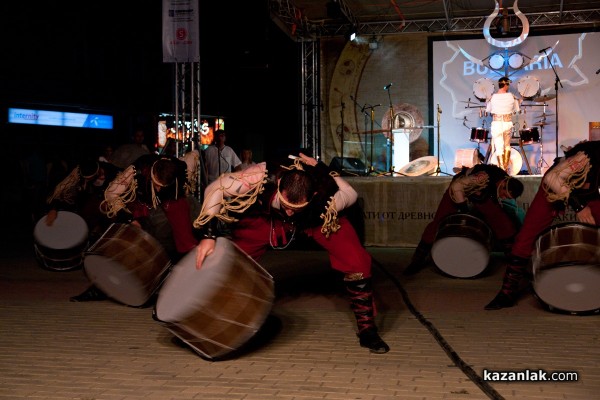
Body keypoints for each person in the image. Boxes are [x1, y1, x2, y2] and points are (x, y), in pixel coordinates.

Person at [192, 153, 390, 354]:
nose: (289, 212)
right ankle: (210, 310)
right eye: (287, 206)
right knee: (233, 259)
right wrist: (208, 235)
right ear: (278, 183)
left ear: (312, 196)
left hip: (317, 218)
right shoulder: (261, 176)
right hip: (270, 218)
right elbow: (215, 188)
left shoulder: (326, 195)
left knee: (356, 261)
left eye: (294, 208)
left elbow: (351, 193)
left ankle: (367, 330)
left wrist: (325, 170)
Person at [485, 140, 600, 310]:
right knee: (526, 237)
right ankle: (507, 291)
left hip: (587, 193)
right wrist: (579, 207)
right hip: (553, 187)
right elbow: (552, 178)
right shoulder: (588, 156)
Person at [72, 154, 198, 302]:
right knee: (129, 241)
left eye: (161, 187)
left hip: (172, 201)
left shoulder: (180, 167)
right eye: (156, 185)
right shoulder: (137, 169)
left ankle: (182, 286)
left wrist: (188, 181)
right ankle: (100, 288)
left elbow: (194, 155)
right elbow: (111, 194)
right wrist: (130, 219)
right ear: (152, 174)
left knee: (185, 244)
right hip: (142, 202)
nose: (158, 190)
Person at [403, 163, 525, 276]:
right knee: (438, 222)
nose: (503, 198)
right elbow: (457, 187)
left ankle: (514, 259)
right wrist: (463, 207)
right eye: (505, 195)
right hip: (457, 191)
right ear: (503, 185)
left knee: (502, 222)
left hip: (481, 193)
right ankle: (417, 260)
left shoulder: (504, 180)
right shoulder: (482, 177)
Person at [485, 76, 520, 172]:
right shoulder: (511, 96)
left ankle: (502, 169)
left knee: (499, 147)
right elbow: (517, 109)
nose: (508, 86)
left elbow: (488, 110)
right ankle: (505, 168)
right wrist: (518, 102)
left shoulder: (492, 97)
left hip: (496, 123)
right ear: (505, 85)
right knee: (507, 146)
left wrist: (487, 102)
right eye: (508, 84)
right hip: (507, 123)